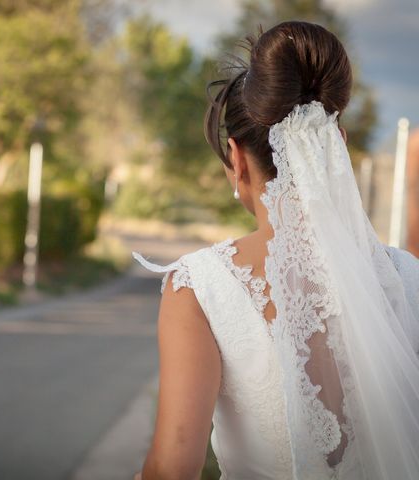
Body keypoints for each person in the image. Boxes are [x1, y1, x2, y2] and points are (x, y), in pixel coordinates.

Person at [131, 20, 419, 480]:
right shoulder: (408, 276)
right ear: (337, 147)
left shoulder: (200, 290)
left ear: (235, 158)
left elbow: (172, 467)